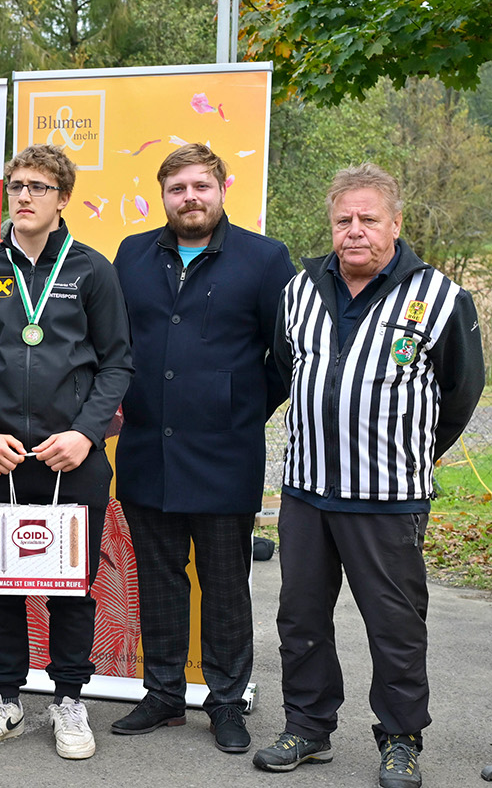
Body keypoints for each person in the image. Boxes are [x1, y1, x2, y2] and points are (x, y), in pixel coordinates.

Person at [254, 163, 484, 788]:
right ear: (331, 226)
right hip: (306, 491)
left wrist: (408, 454)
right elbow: (283, 364)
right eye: (343, 220)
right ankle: (307, 726)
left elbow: (462, 392)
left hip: (388, 499)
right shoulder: (299, 292)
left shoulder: (439, 298)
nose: (355, 231)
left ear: (396, 223)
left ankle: (401, 738)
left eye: (368, 219)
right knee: (300, 619)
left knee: (395, 627)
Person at [0, 144, 132, 760]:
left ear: (63, 199)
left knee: (70, 585)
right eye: (15, 185)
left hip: (69, 455)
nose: (23, 196)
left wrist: (85, 433)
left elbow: (116, 363)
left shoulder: (92, 271)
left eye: (39, 187)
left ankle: (70, 698)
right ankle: (3, 697)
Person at [109, 144, 296, 752]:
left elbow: (285, 357)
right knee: (158, 582)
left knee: (223, 585)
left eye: (201, 186)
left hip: (225, 455)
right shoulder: (133, 253)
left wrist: (235, 408)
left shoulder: (266, 259)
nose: (190, 198)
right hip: (144, 451)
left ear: (222, 188)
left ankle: (226, 703)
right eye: (177, 188)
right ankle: (162, 695)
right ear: (163, 195)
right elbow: (115, 343)